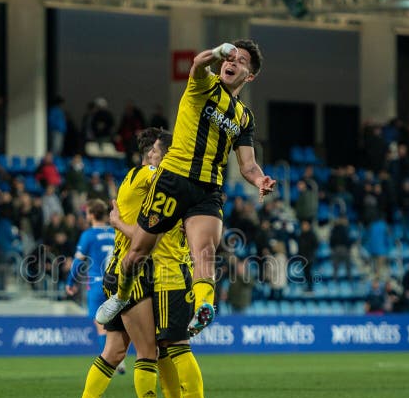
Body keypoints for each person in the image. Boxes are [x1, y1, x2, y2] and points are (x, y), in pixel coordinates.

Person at [96, 39, 275, 336]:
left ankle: (205, 306)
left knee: (204, 251)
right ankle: (122, 295)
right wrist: (218, 52)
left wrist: (260, 180)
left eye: (241, 61)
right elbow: (198, 63)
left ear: (250, 75)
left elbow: (247, 164)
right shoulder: (204, 86)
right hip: (174, 180)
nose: (232, 62)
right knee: (139, 250)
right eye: (230, 58)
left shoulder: (244, 117)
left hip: (209, 189)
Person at [69, 128, 214, 398]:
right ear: (153, 154)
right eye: (168, 151)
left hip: (124, 271)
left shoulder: (134, 180)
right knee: (149, 351)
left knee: (115, 349)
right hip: (133, 273)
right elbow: (143, 234)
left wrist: (118, 221)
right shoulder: (150, 174)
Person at [65, 199, 122, 373]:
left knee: (100, 325)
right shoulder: (116, 232)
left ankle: (110, 360)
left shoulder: (88, 235)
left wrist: (70, 282)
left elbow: (78, 261)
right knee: (118, 324)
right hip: (117, 285)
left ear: (90, 214)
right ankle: (119, 356)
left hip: (97, 284)